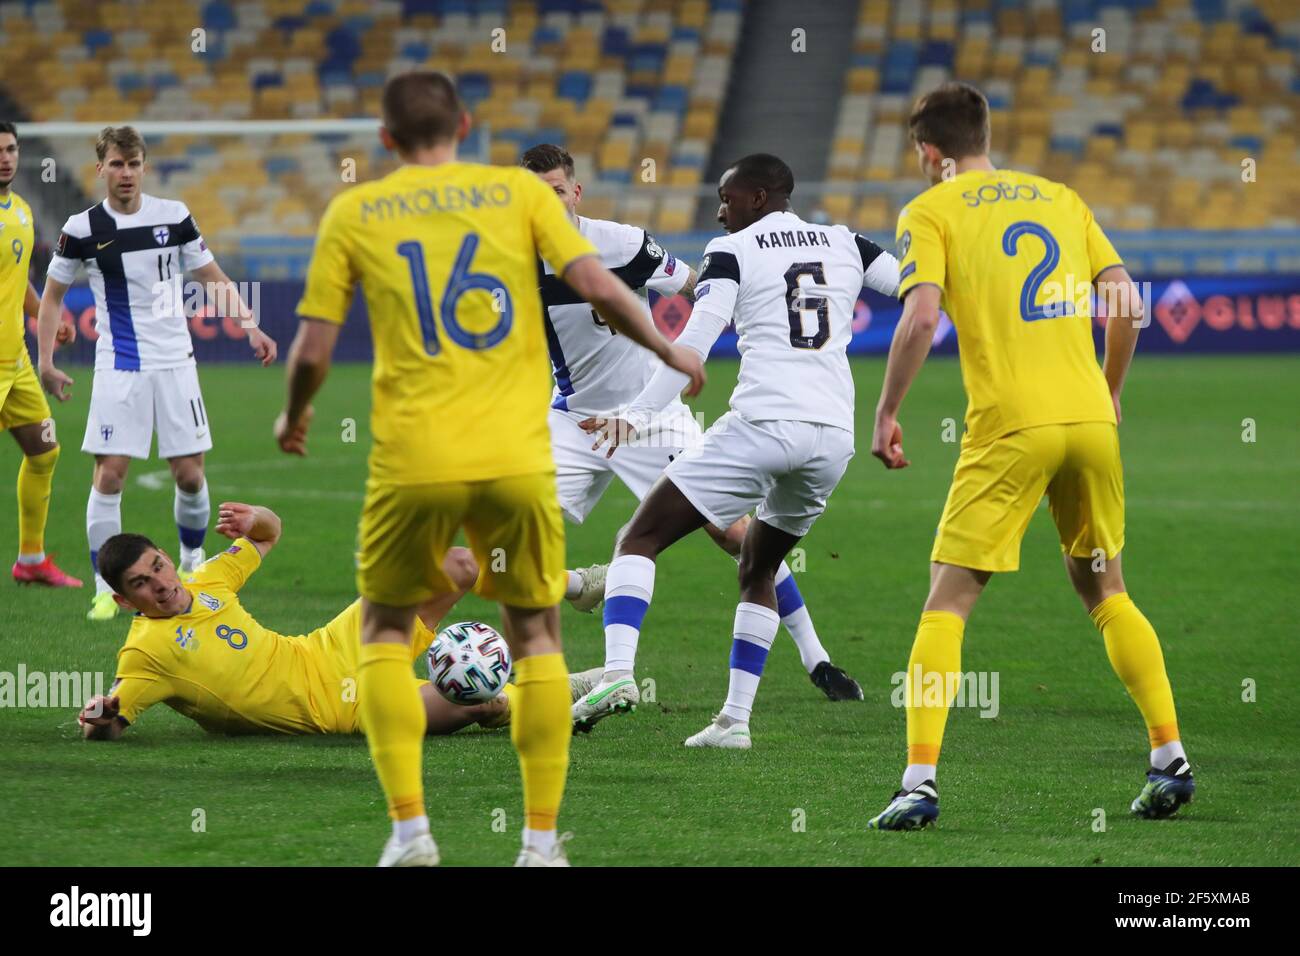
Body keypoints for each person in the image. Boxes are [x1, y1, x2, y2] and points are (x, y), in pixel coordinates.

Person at [275, 71, 704, 867]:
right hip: (513, 448)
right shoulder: (522, 200)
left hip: (415, 454)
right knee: (537, 637)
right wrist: (667, 347)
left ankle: (410, 833)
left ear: (384, 139)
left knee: (385, 630)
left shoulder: (354, 212)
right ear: (466, 125)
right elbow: (599, 286)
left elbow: (313, 346)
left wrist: (296, 412)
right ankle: (540, 844)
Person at [866, 82, 1192, 830]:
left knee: (947, 602)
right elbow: (1128, 305)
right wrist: (1107, 390)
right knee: (1107, 589)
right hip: (1088, 421)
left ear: (930, 152)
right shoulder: (1059, 197)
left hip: (1011, 425)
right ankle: (1169, 758)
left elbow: (919, 318)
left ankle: (918, 782)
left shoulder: (931, 210)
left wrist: (887, 411)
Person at [519, 144, 864, 729]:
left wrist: (714, 332)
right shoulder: (510, 260)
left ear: (575, 193)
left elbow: (696, 285)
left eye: (555, 190)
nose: (545, 203)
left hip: (652, 417)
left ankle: (816, 657)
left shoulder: (624, 243)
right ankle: (583, 587)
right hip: (574, 421)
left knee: (735, 536)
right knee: (516, 538)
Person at [76, 501, 604, 741]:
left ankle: (576, 584)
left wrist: (253, 518)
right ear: (125, 601)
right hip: (340, 709)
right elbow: (113, 717)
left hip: (328, 647)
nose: (161, 583)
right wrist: (98, 717)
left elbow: (268, 533)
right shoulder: (145, 652)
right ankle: (562, 694)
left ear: (168, 557)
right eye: (141, 584)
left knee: (457, 565)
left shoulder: (209, 578)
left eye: (158, 566)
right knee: (478, 702)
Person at [36, 125, 277, 621]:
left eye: (134, 163)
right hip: (119, 366)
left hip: (174, 363)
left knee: (189, 474)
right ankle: (106, 589)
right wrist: (46, 362)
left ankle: (190, 560)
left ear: (144, 166)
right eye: (117, 164)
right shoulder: (82, 229)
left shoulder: (175, 216)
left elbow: (212, 277)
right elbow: (52, 297)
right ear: (100, 168)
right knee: (110, 474)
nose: (126, 173)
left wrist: (250, 326)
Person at [0, 121, 81, 587]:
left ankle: (30, 560)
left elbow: (20, 281)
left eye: (11, 149)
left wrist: (43, 317)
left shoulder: (24, 211)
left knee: (44, 450)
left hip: (18, 365)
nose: (6, 158)